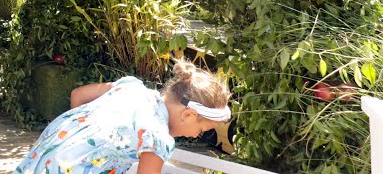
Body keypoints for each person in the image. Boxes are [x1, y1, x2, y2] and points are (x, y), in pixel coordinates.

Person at [13, 58, 232, 174]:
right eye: (201, 130)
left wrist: (81, 145)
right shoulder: (157, 139)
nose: (195, 136)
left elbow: (77, 95)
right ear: (189, 114)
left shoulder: (131, 87)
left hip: (45, 155)